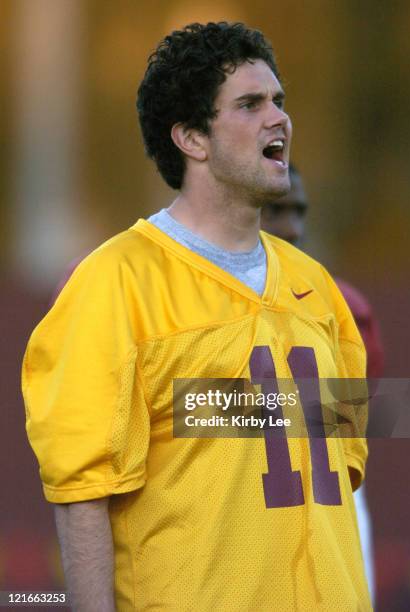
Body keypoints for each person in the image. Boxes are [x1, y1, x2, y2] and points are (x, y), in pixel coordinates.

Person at [22, 22, 371, 611]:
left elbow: (335, 466)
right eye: (250, 103)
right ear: (190, 138)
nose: (279, 118)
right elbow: (83, 496)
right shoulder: (115, 282)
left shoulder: (318, 290)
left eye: (279, 101)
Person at [261, 163, 385, 604]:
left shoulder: (341, 307)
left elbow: (342, 421)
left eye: (300, 211)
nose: (293, 228)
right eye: (277, 210)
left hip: (325, 515)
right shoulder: (161, 285)